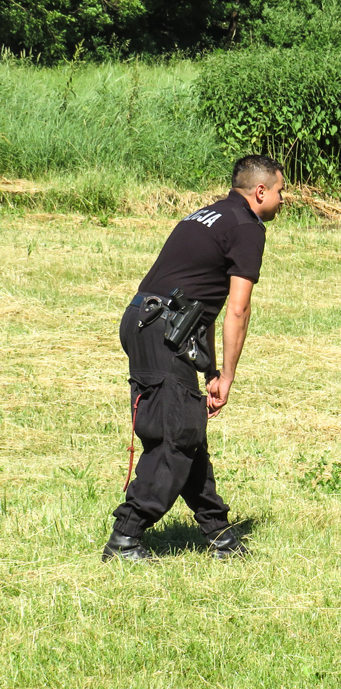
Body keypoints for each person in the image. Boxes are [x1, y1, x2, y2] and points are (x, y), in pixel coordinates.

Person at [102, 155, 286, 561]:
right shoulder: (246, 227)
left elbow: (200, 305)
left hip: (146, 320)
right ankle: (125, 537)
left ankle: (220, 536)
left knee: (187, 430)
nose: (282, 199)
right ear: (260, 191)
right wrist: (229, 377)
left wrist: (210, 370)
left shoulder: (208, 215)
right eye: (280, 191)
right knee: (176, 435)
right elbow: (237, 309)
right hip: (164, 330)